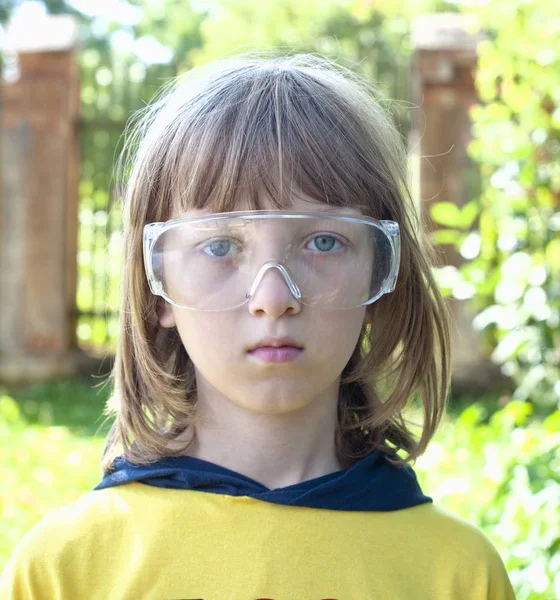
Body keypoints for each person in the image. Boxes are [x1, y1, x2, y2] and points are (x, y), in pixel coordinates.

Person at [0, 53, 516, 599]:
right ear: (157, 285)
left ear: (380, 270)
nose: (273, 299)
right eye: (220, 246)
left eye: (324, 241)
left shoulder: (457, 575)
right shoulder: (64, 570)